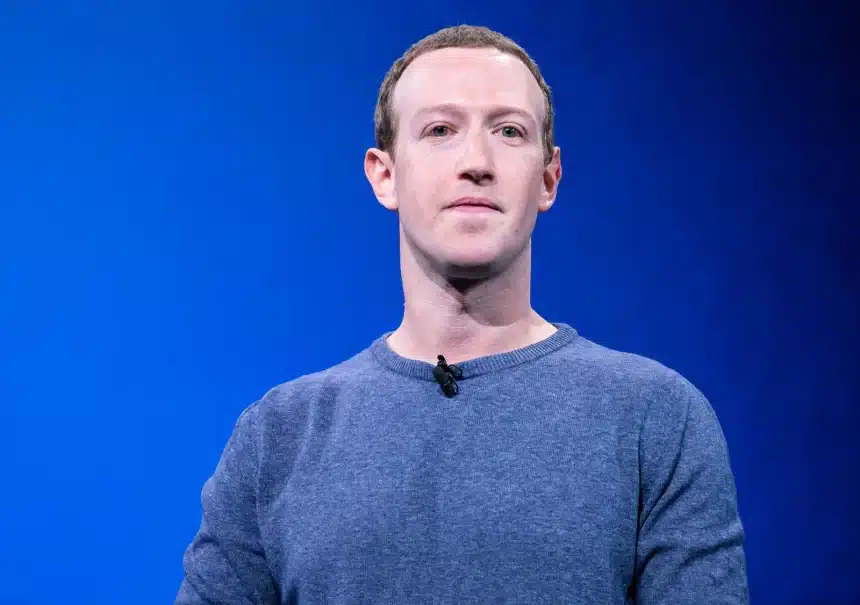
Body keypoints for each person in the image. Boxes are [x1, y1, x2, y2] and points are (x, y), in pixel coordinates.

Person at [176, 24, 749, 604]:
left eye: (508, 131)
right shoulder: (278, 435)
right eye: (440, 130)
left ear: (549, 178)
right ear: (385, 174)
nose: (476, 161)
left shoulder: (656, 418)